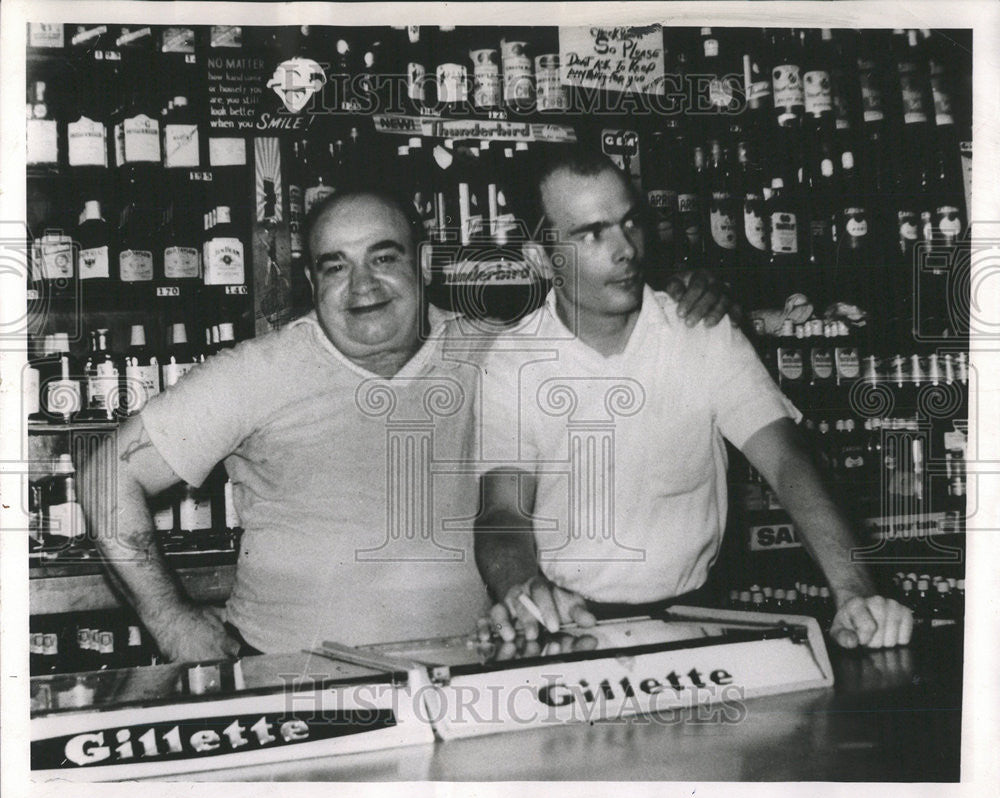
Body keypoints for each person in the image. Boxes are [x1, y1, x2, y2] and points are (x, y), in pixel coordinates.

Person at [81, 183, 732, 662]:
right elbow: (109, 473)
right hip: (292, 686)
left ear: (422, 264)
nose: (360, 284)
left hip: (478, 680)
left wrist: (682, 302)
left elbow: (619, 351)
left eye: (383, 258)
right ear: (312, 279)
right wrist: (169, 620)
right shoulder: (258, 371)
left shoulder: (498, 353)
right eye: (335, 265)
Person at [473, 148, 913, 651]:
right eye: (592, 233)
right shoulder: (513, 360)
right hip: (564, 628)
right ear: (539, 257)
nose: (627, 250)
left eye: (630, 222)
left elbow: (790, 464)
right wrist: (520, 587)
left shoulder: (700, 331)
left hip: (696, 620)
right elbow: (502, 513)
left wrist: (854, 594)